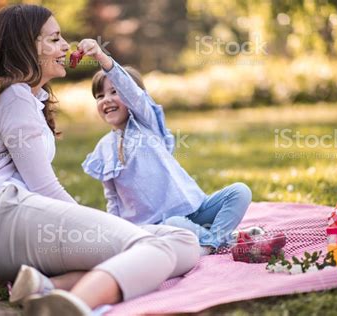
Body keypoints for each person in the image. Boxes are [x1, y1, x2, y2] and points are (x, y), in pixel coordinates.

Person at [0, 4, 200, 315]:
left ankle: (49, 288)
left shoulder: (25, 98)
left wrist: (103, 230)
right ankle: (77, 305)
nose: (66, 45)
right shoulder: (14, 97)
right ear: (24, 48)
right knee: (153, 248)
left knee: (184, 242)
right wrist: (97, 226)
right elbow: (43, 187)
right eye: (54, 39)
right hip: (2, 220)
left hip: (12, 230)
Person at [81, 40, 258, 256]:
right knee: (177, 224)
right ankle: (222, 240)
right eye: (99, 96)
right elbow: (112, 198)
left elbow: (133, 94)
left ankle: (212, 242)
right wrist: (118, 235)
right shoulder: (102, 149)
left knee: (240, 191)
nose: (106, 100)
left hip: (195, 207)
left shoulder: (147, 124)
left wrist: (101, 57)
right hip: (160, 224)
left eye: (114, 92)